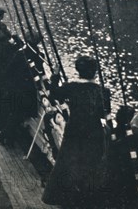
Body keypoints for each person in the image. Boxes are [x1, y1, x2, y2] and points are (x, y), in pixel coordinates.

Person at [42, 56, 111, 208]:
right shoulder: (104, 91)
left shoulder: (71, 87)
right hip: (94, 135)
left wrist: (55, 77)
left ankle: (65, 199)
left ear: (78, 71)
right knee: (89, 167)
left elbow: (53, 95)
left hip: (74, 132)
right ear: (95, 72)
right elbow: (104, 115)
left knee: (68, 164)